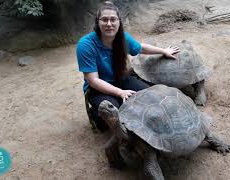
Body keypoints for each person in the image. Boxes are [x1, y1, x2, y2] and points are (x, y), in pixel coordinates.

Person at [76, 1, 180, 131]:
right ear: (98, 22)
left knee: (150, 95)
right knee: (117, 114)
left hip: (121, 79)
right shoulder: (85, 45)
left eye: (113, 19)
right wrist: (120, 93)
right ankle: (96, 115)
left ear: (119, 21)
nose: (109, 24)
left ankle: (118, 100)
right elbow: (93, 80)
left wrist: (163, 51)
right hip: (97, 89)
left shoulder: (122, 38)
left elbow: (140, 48)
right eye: (104, 20)